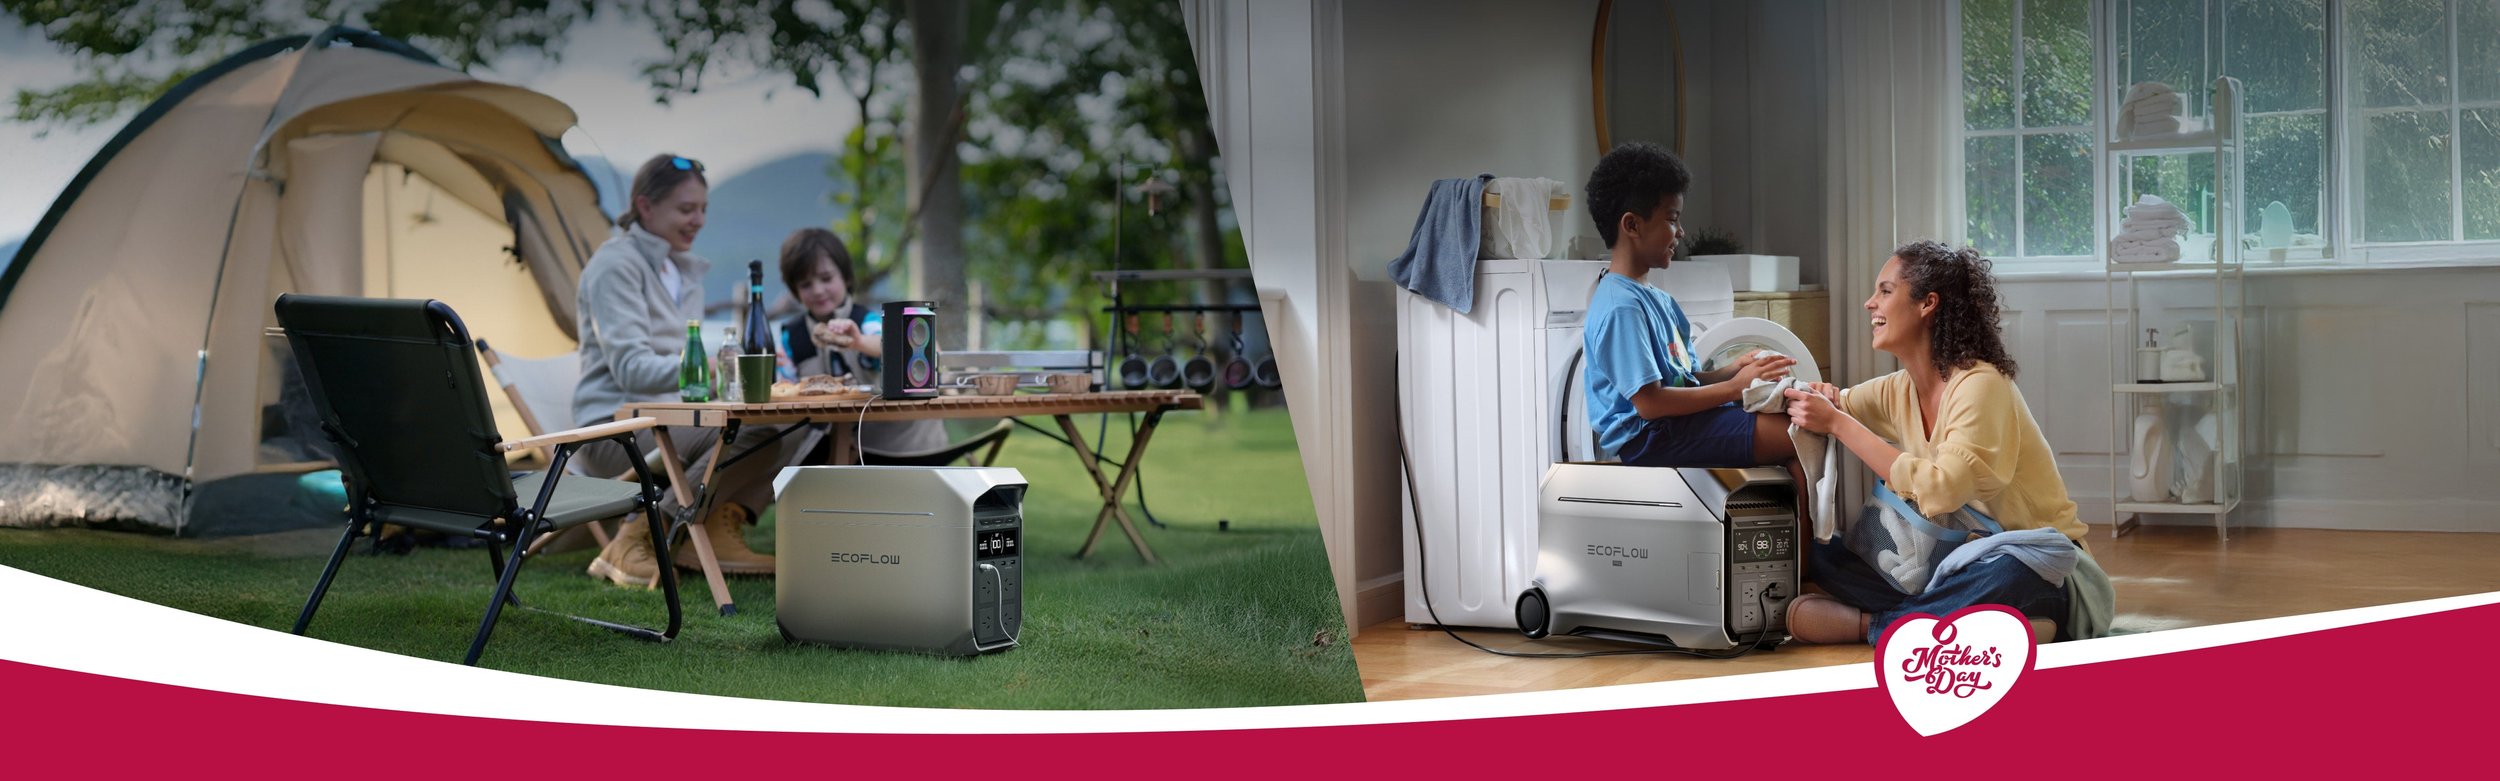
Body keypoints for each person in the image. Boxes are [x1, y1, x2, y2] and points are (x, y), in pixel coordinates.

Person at [1779, 240, 2113, 644]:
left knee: (2008, 572)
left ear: (1927, 304)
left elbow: (1943, 488)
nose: (1870, 303)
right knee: (1822, 556)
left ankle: (1875, 626)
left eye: (1885, 291)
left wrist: (1837, 423)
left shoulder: (1981, 385)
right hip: (1947, 563)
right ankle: (1971, 622)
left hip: (2038, 562)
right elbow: (1837, 404)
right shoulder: (1899, 389)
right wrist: (1810, 397)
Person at [571, 153, 814, 585]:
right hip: (613, 431)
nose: (698, 220)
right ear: (645, 206)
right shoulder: (615, 265)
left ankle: (715, 528)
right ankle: (637, 535)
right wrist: (721, 367)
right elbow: (631, 369)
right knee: (752, 434)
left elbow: (690, 377)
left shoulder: (682, 272)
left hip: (671, 422)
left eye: (703, 209)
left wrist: (738, 378)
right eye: (686, 209)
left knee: (793, 423)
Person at [1581, 142, 1801, 472]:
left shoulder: (1658, 299)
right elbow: (1651, 403)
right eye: (1672, 219)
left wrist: (1734, 370)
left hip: (1675, 425)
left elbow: (1683, 381)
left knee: (1802, 419)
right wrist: (1734, 387)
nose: (1681, 232)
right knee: (1794, 431)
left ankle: (1806, 511)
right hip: (1650, 438)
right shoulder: (1621, 307)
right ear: (1632, 225)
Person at [775, 227, 948, 457]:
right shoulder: (792, 336)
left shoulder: (867, 321)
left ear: (846, 277)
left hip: (897, 447)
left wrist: (858, 342)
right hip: (832, 449)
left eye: (826, 279)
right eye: (806, 284)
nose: (817, 290)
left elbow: (901, 346)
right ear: (795, 291)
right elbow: (786, 389)